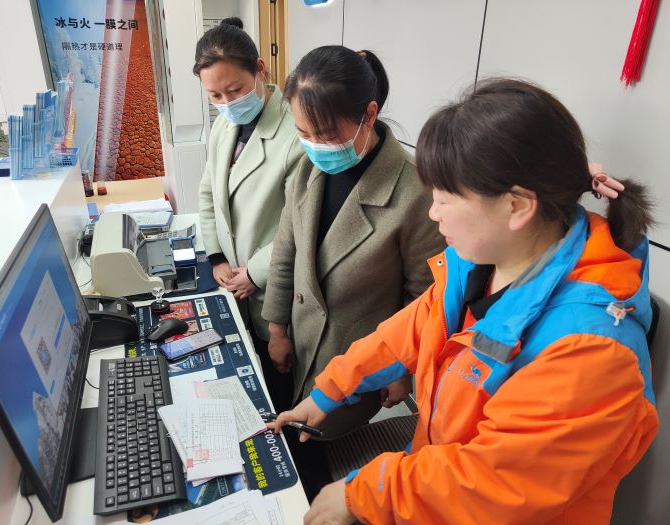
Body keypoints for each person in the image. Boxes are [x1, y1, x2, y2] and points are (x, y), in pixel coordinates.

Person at [271, 79, 659, 525]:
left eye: (444, 198)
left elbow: (495, 483)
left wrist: (369, 492)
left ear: (517, 206)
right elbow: (410, 329)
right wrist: (330, 390)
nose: (432, 212)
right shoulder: (481, 263)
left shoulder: (592, 350)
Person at [261, 45, 444, 440]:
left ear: (369, 115)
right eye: (303, 133)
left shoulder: (415, 191)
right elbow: (285, 251)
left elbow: (423, 297)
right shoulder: (307, 168)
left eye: (326, 134)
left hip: (358, 359)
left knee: (328, 442)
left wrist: (402, 368)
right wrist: (277, 330)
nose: (314, 144)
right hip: (300, 339)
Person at [193, 17, 303, 409]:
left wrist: (253, 273)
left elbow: (299, 225)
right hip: (231, 279)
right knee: (246, 377)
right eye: (214, 95)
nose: (226, 103)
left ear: (260, 69)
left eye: (235, 90)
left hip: (273, 287)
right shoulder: (224, 126)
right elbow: (208, 191)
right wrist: (216, 255)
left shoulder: (296, 132)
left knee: (280, 386)